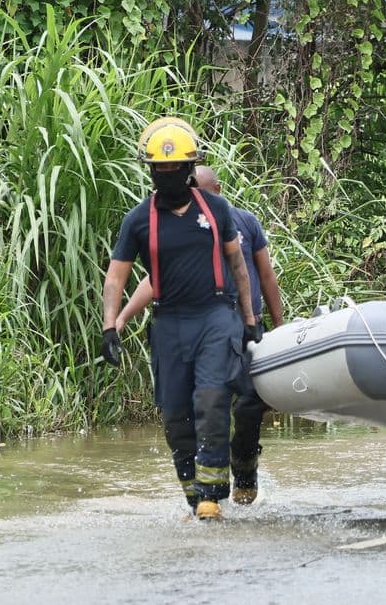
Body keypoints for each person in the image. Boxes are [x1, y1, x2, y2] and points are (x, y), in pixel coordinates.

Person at [101, 117, 262, 520]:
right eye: (160, 169)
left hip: (215, 315)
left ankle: (212, 494)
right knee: (175, 413)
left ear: (190, 168)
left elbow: (238, 266)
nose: (168, 175)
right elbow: (118, 274)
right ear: (151, 170)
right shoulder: (138, 220)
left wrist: (249, 318)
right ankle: (194, 497)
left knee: (211, 398)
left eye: (175, 169)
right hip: (169, 322)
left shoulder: (218, 209)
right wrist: (109, 324)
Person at [115, 165, 285, 504]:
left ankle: (245, 471)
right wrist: (120, 318)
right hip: (199, 330)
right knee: (200, 406)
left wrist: (278, 328)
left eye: (205, 191)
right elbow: (154, 279)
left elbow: (265, 275)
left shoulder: (243, 222)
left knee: (249, 407)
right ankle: (205, 497)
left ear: (217, 192)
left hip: (245, 331)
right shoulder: (169, 224)